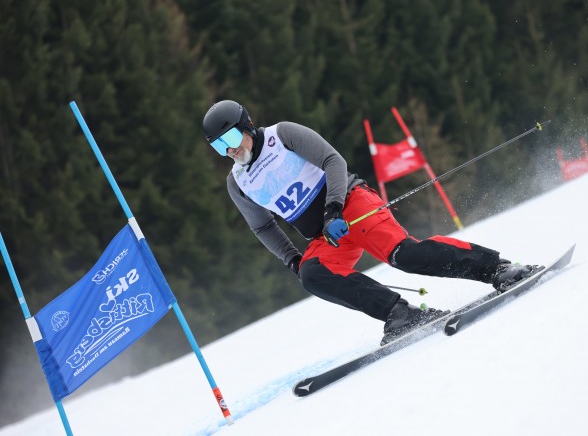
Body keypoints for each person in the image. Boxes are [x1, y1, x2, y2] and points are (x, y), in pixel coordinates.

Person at [202, 100, 542, 345]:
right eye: (219, 147)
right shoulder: (238, 183)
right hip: (325, 236)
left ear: (248, 126)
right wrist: (293, 259)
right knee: (312, 274)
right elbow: (263, 226)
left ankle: (496, 268)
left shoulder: (283, 135)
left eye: (230, 140)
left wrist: (334, 208)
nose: (229, 150)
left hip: (351, 204)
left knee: (405, 256)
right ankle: (399, 313)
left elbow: (332, 161)